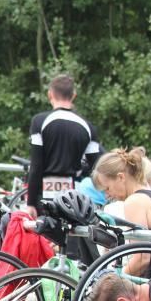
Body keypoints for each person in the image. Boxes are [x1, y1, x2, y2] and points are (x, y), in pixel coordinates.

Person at [92, 147, 151, 277]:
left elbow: (141, 259)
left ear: (121, 177)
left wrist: (114, 278)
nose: (107, 195)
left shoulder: (135, 202)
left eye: (107, 188)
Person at [26, 74, 102, 217]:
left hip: (43, 192)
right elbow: (96, 166)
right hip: (72, 196)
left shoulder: (39, 121)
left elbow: (36, 164)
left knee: (44, 236)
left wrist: (30, 202)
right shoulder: (88, 126)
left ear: (50, 94)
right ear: (73, 95)